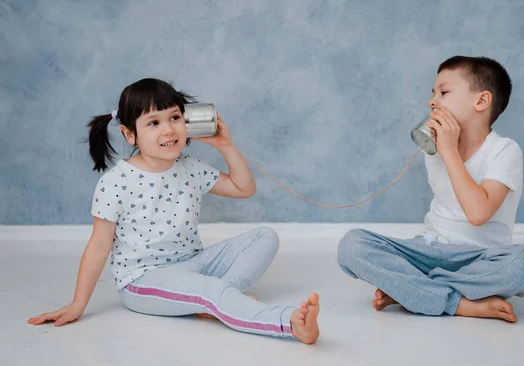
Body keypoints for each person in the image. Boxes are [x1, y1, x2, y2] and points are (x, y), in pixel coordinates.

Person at [28, 78, 320, 344]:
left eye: (175, 118)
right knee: (211, 292)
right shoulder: (116, 182)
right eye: (153, 123)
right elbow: (99, 244)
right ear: (130, 135)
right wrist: (78, 304)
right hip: (144, 279)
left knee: (265, 236)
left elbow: (244, 189)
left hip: (193, 261)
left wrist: (225, 146)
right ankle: (287, 323)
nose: (168, 129)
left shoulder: (189, 167)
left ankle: (215, 300)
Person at [337, 56, 524, 322]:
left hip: (480, 259)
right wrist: (444, 150)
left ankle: (413, 290)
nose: (433, 101)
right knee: (352, 245)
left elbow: (478, 214)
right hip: (428, 251)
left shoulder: (504, 150)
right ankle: (458, 303)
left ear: (481, 101)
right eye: (433, 93)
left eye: (444, 92)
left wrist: (449, 152)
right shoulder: (433, 151)